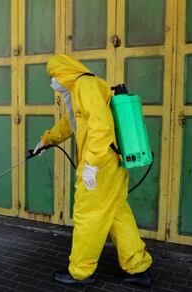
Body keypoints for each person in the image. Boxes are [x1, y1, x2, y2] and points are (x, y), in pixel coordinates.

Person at [32, 54, 153, 286]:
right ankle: (138, 268)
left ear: (64, 72)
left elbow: (102, 127)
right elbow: (72, 123)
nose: (52, 83)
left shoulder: (84, 85)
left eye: (53, 76)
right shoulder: (80, 89)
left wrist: (91, 165)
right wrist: (46, 140)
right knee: (118, 213)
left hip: (100, 164)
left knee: (87, 215)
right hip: (109, 163)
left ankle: (80, 271)